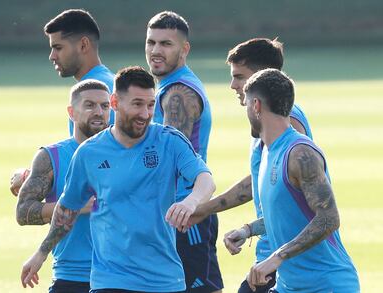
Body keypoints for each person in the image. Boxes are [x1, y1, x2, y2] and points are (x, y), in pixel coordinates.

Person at [20, 66, 216, 293]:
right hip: (111, 281)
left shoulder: (169, 141)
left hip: (164, 280)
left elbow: (205, 179)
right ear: (115, 103)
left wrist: (190, 201)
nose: (145, 113)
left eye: (150, 105)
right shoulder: (88, 153)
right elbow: (67, 209)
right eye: (137, 104)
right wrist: (41, 253)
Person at [188, 38, 312, 293]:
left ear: (262, 77)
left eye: (239, 76)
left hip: (287, 259)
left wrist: (206, 208)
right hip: (272, 253)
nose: (233, 85)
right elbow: (262, 182)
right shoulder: (265, 124)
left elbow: (292, 191)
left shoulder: (288, 122)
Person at [225, 68, 360, 292]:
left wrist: (277, 257)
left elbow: (329, 218)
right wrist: (247, 230)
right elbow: (285, 214)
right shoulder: (268, 152)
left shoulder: (299, 154)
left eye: (247, 103)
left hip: (326, 285)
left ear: (256, 106)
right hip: (289, 286)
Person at [145, 11, 223, 293]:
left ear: (184, 49)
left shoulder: (178, 92)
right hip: (176, 212)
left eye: (166, 44)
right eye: (151, 42)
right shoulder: (168, 87)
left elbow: (169, 160)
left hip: (183, 214)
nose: (155, 50)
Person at [16, 79, 111, 292]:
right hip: (71, 276)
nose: (99, 112)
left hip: (116, 275)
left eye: (105, 106)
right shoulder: (51, 157)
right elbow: (22, 212)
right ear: (71, 112)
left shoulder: (124, 152)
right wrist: (72, 204)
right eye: (89, 105)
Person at [10, 9, 115, 196]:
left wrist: (30, 178)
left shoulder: (96, 94)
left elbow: (97, 167)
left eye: (58, 47)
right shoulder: (110, 82)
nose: (52, 56)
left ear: (83, 45)